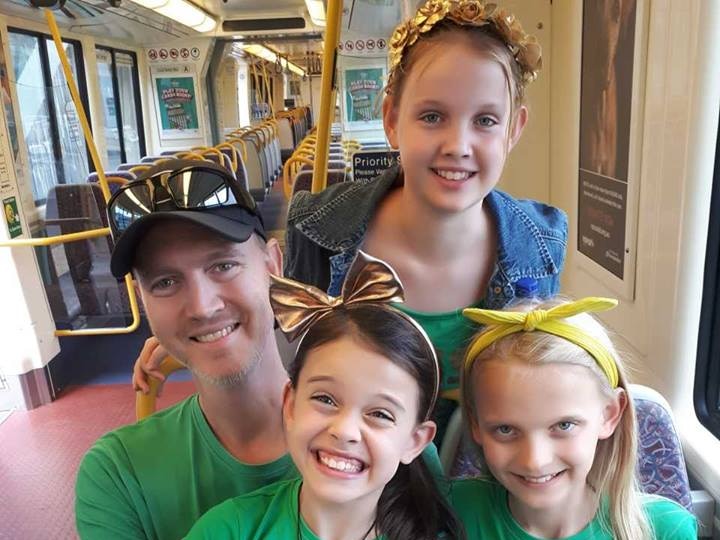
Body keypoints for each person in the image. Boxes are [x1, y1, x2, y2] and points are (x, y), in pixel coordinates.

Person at [284, 0, 567, 443]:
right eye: (432, 117)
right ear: (392, 120)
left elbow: (536, 392)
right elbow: (291, 371)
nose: (458, 144)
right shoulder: (318, 231)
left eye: (486, 121)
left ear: (514, 130)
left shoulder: (539, 245)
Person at [75, 160, 293, 540]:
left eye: (223, 265)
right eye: (165, 282)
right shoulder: (118, 476)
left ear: (273, 266)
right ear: (142, 300)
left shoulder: (380, 432)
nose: (202, 307)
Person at [186, 251, 463, 540]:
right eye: (325, 399)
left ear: (414, 441)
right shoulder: (227, 530)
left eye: (380, 414)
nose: (344, 431)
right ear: (290, 405)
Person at [453, 297, 697, 539]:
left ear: (609, 415)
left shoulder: (665, 530)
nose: (535, 461)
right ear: (475, 423)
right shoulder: (453, 510)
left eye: (563, 425)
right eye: (505, 429)